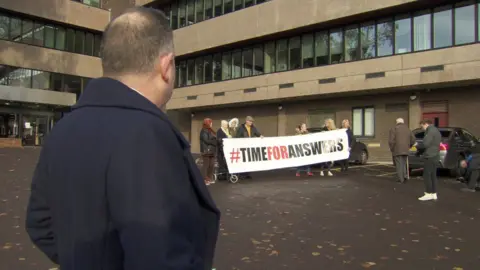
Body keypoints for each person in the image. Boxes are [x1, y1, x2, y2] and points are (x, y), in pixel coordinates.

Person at [25, 8, 220, 270]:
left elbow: (40, 222)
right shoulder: (148, 134)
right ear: (166, 66)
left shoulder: (63, 129)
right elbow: (161, 255)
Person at [418, 119, 441, 201]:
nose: (422, 128)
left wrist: (417, 146)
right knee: (433, 175)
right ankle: (434, 193)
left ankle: (428, 193)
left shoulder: (430, 131)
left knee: (427, 175)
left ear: (425, 124)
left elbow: (425, 144)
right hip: (435, 155)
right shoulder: (436, 130)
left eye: (422, 126)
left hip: (430, 156)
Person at [388, 118, 416, 183]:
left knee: (399, 164)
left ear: (397, 122)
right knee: (403, 164)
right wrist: (409, 146)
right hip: (406, 149)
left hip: (397, 149)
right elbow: (413, 139)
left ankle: (401, 179)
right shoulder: (408, 129)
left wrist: (392, 148)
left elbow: (391, 141)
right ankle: (405, 176)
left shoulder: (394, 129)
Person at [200, 118, 217, 186]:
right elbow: (206, 140)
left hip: (212, 150)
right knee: (206, 165)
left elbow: (213, 138)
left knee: (212, 165)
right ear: (207, 123)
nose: (211, 124)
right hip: (206, 150)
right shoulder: (203, 130)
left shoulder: (210, 130)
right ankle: (205, 179)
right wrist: (214, 142)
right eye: (210, 122)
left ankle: (209, 178)